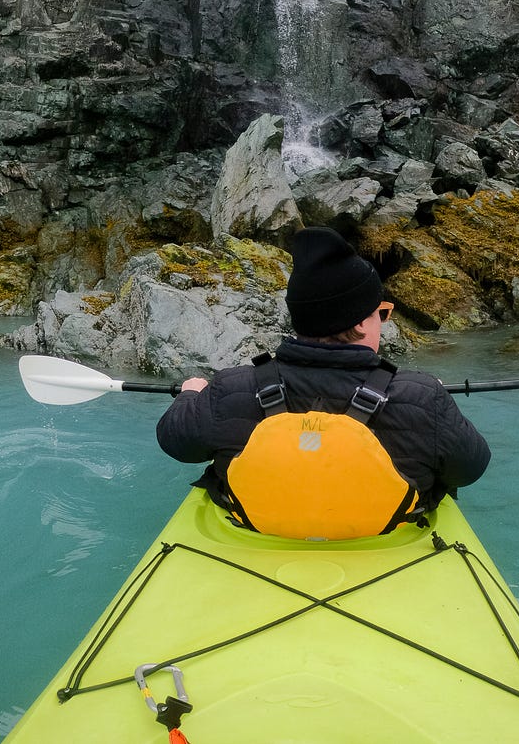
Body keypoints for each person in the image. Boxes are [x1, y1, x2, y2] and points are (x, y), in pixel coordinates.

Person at [156, 226, 490, 535]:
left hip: (255, 535)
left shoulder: (230, 389)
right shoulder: (422, 396)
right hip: (384, 540)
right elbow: (470, 468)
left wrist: (190, 394)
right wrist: (435, 402)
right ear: (362, 320)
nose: (384, 323)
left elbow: (176, 442)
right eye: (382, 313)